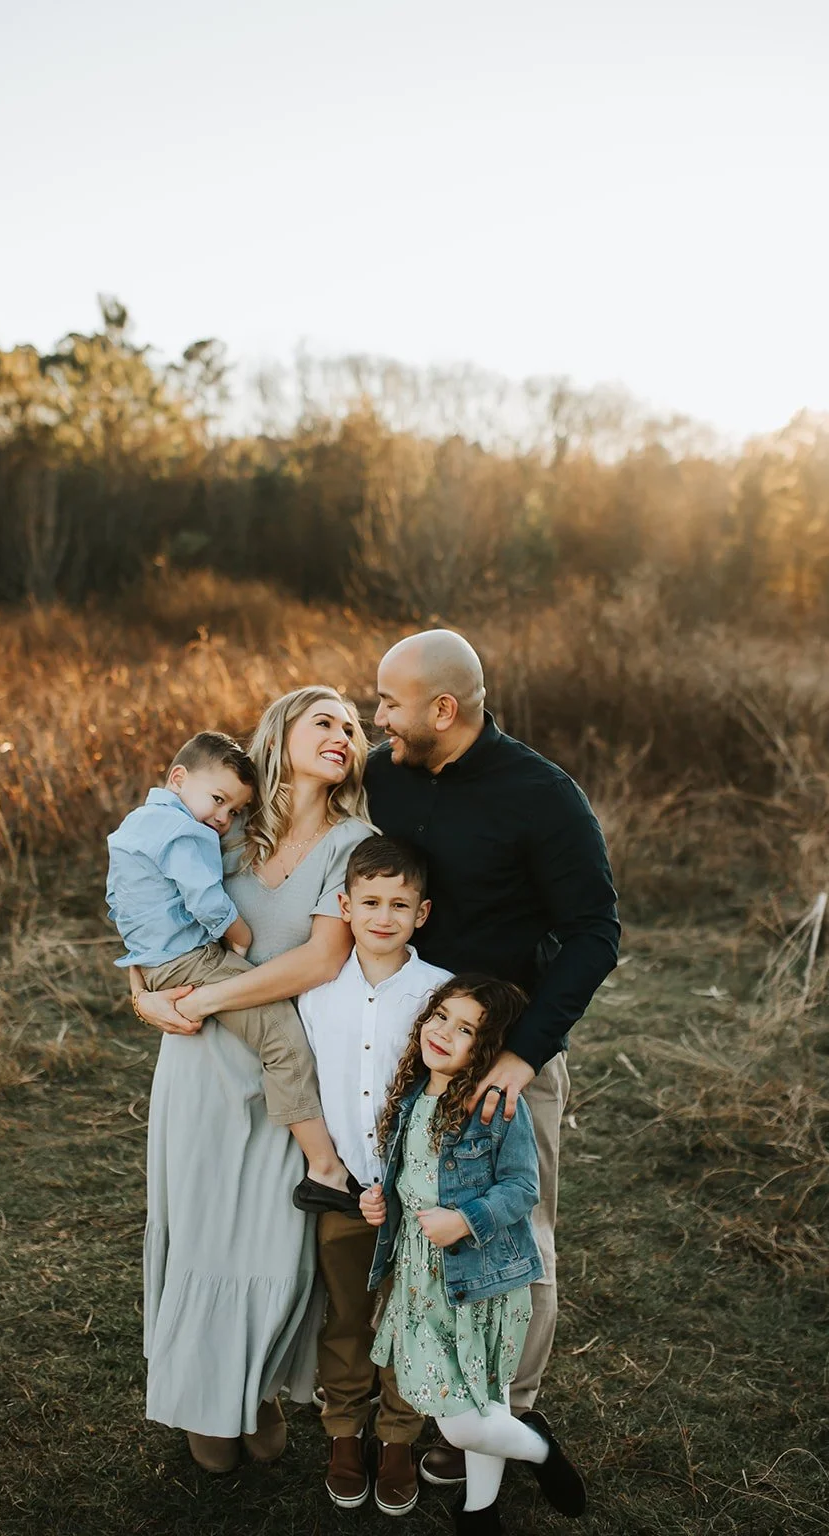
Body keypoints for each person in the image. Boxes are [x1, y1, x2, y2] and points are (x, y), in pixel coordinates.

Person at [365, 629, 619, 1484]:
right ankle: (430, 1389)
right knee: (412, 1216)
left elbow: (594, 933)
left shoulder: (544, 797)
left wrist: (522, 1057)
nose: (377, 718)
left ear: (445, 707)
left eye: (389, 703)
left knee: (517, 1232)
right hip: (407, 1047)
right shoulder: (381, 774)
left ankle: (502, 1409)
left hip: (505, 1056)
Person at [129, 687, 374, 1475]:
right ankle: (201, 1395)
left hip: (288, 1070)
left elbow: (321, 960)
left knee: (273, 1242)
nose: (342, 734)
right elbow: (148, 912)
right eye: (325, 721)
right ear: (282, 734)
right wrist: (141, 994)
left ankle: (259, 1389)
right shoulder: (221, 825)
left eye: (353, 728)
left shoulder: (355, 841)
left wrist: (208, 995)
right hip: (199, 1062)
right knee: (200, 1230)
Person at [361, 976, 587, 1534]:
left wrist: (464, 1219)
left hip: (479, 1278)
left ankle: (534, 1449)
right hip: (420, 1277)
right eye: (440, 1016)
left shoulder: (494, 1107)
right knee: (480, 1409)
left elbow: (520, 1189)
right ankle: (483, 1510)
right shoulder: (413, 1094)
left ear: (484, 1050)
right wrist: (380, 1201)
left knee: (466, 1423)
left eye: (465, 1031)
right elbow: (411, 1175)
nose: (442, 1033)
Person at [108, 728, 357, 1212]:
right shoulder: (197, 830)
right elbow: (203, 899)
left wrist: (146, 975)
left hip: (176, 975)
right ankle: (325, 1169)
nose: (224, 818)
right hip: (195, 985)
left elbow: (126, 903)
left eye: (234, 810)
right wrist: (236, 941)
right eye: (320, 724)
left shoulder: (146, 823)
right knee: (282, 1035)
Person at [298, 834, 452, 1515]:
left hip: (414, 1195)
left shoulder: (441, 992)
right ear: (344, 905)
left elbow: (446, 1096)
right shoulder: (316, 991)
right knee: (347, 1315)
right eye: (369, 902)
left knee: (411, 1316)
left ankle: (396, 1437)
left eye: (398, 903)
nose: (382, 916)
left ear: (421, 913)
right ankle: (342, 1431)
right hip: (341, 1187)